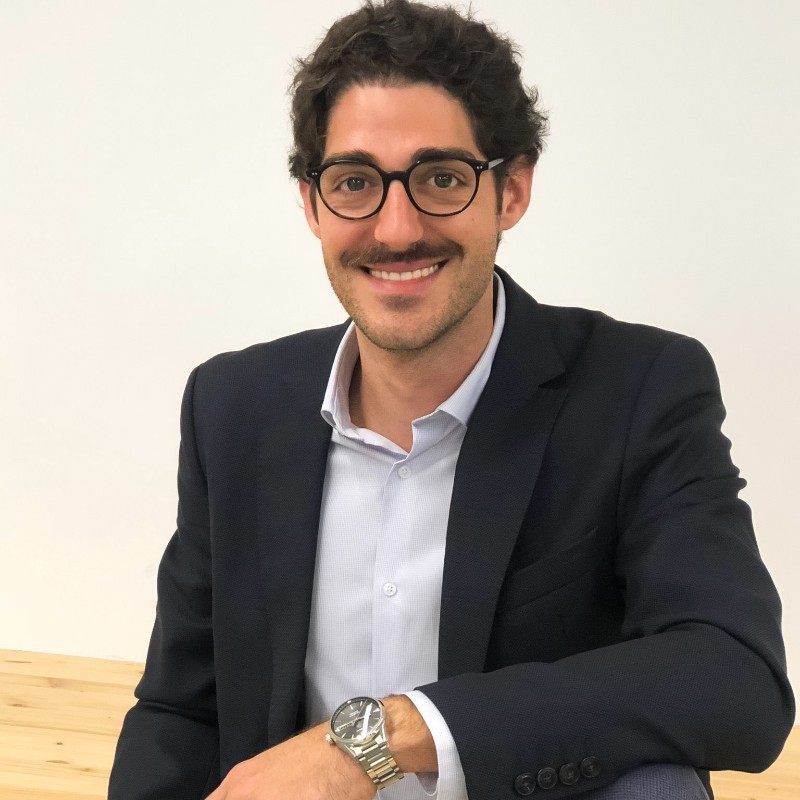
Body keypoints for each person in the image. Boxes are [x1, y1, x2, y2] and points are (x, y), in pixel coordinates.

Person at [108, 1, 794, 798]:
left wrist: (372, 741)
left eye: (441, 178)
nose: (397, 230)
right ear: (312, 204)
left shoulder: (639, 389)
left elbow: (734, 674)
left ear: (512, 191)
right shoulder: (233, 404)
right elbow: (181, 710)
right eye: (355, 182)